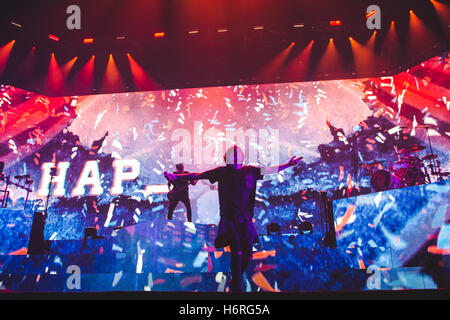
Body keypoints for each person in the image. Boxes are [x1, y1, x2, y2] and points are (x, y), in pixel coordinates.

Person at [164, 145, 302, 292]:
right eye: (233, 153)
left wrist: (289, 164)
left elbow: (269, 170)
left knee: (247, 254)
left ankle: (234, 279)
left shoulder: (250, 171)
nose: (236, 155)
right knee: (237, 251)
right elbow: (198, 175)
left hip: (246, 220)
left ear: (242, 157)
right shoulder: (222, 172)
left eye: (238, 153)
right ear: (226, 158)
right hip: (230, 219)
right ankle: (236, 286)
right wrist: (176, 177)